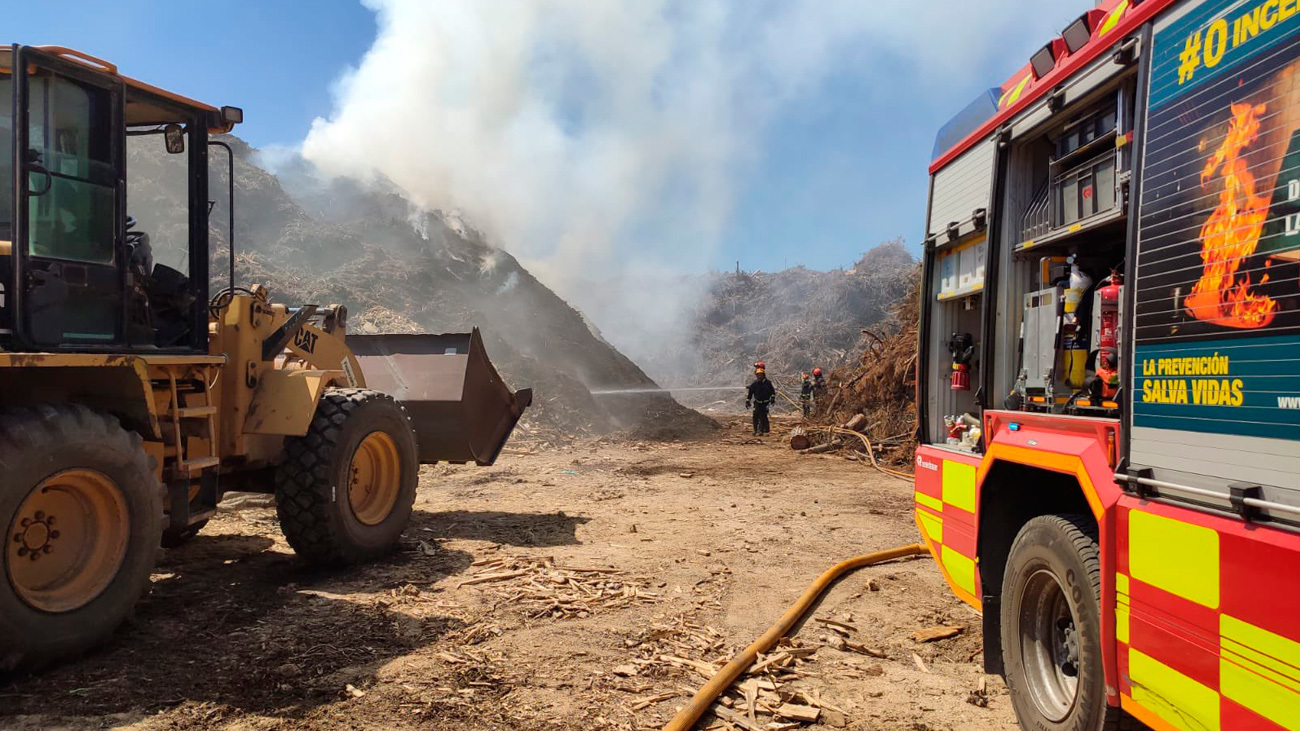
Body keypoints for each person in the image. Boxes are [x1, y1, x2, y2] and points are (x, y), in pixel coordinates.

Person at [746, 367, 776, 436]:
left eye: (761, 375)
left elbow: (773, 392)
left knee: (763, 416)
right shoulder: (755, 383)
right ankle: (755, 430)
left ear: (763, 375)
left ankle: (762, 430)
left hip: (765, 403)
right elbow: (750, 393)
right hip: (757, 402)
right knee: (755, 416)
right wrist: (747, 401)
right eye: (758, 375)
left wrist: (772, 399)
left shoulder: (768, 383)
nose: (759, 376)